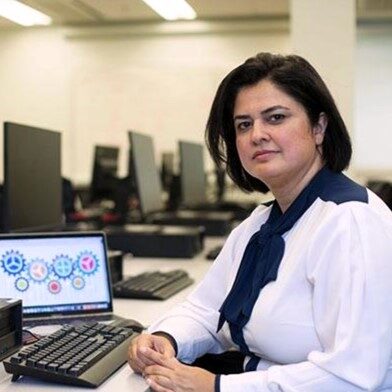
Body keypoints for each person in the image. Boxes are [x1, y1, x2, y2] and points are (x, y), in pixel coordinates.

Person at [127, 53, 392, 391]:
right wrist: (165, 339)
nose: (257, 135)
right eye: (244, 125)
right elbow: (208, 310)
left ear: (319, 127)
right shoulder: (261, 222)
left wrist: (215, 387)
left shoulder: (350, 221)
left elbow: (350, 377)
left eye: (276, 118)